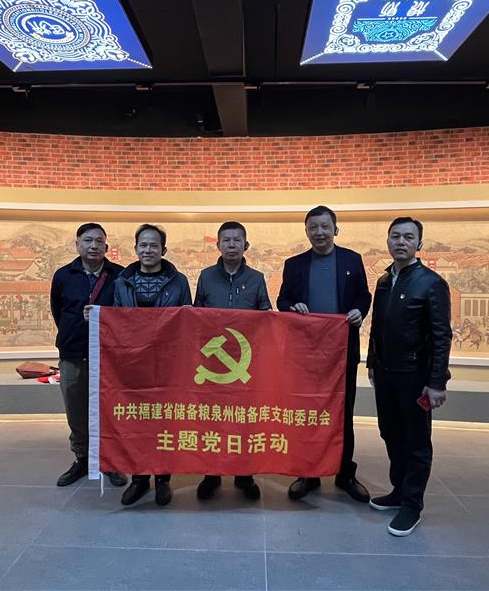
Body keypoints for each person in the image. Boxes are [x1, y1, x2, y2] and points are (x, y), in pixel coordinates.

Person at [276, 205, 372, 503]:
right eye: (313, 227)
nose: (319, 232)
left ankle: (345, 473)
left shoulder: (352, 260)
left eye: (325, 226)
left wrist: (359, 311)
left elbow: (364, 296)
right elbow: (282, 300)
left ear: (335, 229)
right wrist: (292, 307)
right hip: (306, 355)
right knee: (307, 412)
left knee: (343, 413)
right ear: (306, 231)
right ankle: (308, 473)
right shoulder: (294, 264)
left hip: (342, 353)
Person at [367, 216, 452, 536]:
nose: (400, 242)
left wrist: (436, 382)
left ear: (419, 244)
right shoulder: (384, 281)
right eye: (395, 236)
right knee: (390, 432)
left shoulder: (431, 283)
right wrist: (372, 362)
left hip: (415, 376)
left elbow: (442, 336)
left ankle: (412, 505)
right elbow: (376, 327)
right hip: (385, 373)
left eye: (407, 237)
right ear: (388, 241)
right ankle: (399, 490)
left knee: (415, 441)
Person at [115, 224, 193, 507]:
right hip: (133, 363)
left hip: (167, 363)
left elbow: (188, 322)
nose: (148, 250)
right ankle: (138, 478)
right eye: (143, 245)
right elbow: (116, 321)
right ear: (136, 248)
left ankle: (162, 479)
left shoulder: (178, 281)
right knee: (136, 421)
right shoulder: (122, 281)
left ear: (164, 250)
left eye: (154, 245)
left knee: (164, 420)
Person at [193, 221, 272, 501]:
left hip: (246, 362)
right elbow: (197, 316)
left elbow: (267, 316)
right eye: (226, 240)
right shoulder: (205, 277)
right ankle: (211, 473)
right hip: (212, 366)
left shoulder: (257, 278)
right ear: (217, 245)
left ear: (245, 245)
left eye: (237, 240)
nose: (231, 245)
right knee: (213, 419)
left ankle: (244, 474)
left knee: (244, 420)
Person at [50, 223, 127, 488]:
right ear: (77, 244)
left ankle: (110, 461)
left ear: (106, 246)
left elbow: (125, 314)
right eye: (88, 240)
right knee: (76, 410)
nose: (94, 246)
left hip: (109, 356)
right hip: (73, 353)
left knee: (109, 410)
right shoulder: (64, 276)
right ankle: (82, 459)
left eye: (99, 241)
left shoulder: (119, 275)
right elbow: (58, 311)